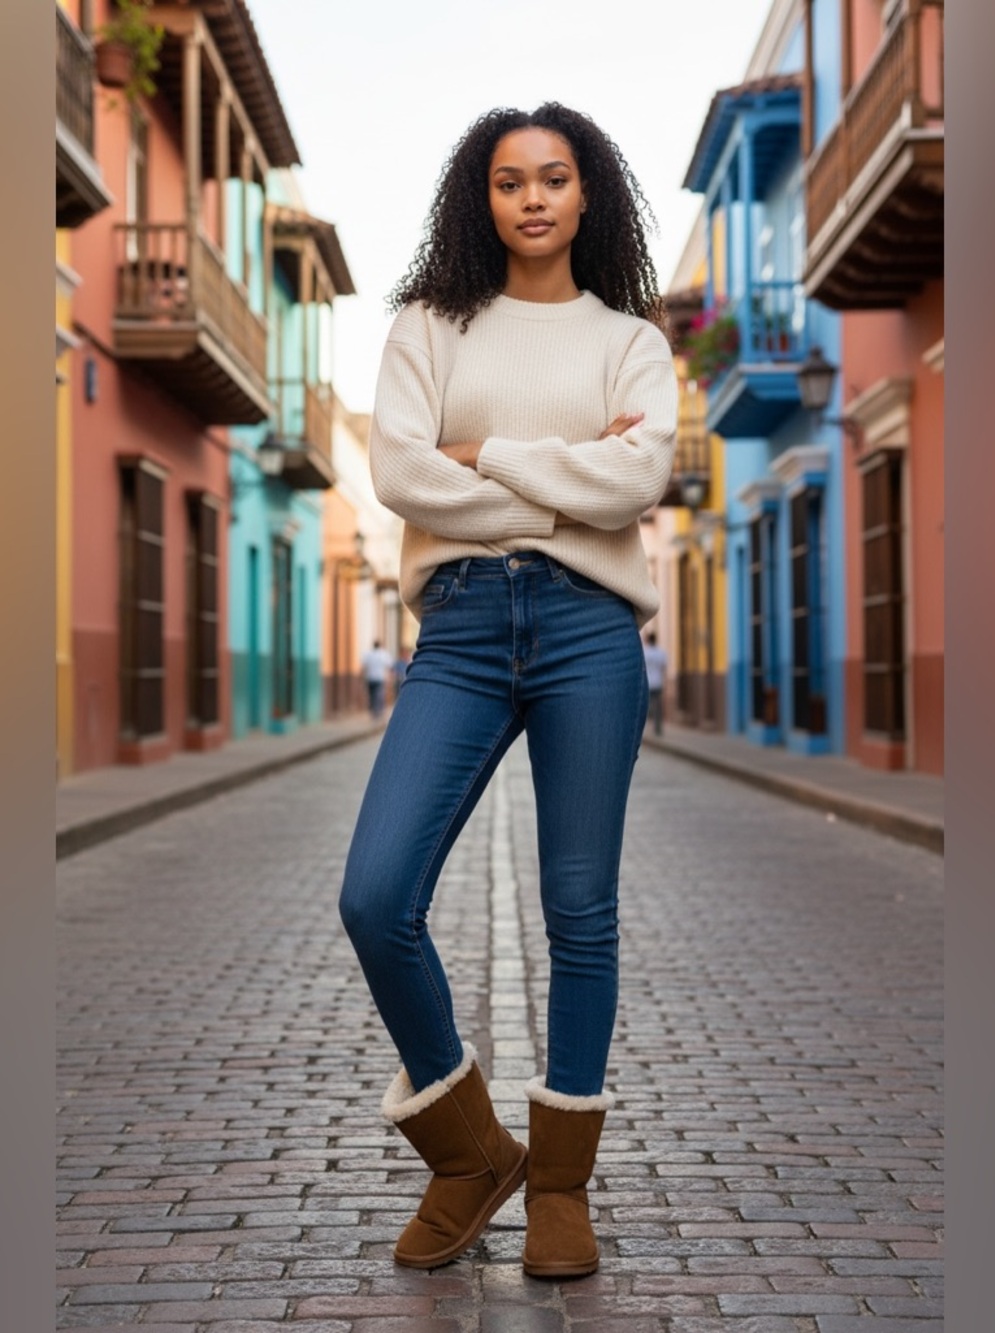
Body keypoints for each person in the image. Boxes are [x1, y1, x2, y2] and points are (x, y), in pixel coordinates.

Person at [338, 103, 677, 1278]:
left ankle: (561, 1187)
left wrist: (482, 459)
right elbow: (400, 475)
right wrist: (570, 489)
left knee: (579, 913)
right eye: (506, 181)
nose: (530, 198)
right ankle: (473, 1150)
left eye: (553, 178)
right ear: (477, 200)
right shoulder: (430, 327)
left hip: (591, 632)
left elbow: (645, 473)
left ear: (589, 196)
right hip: (466, 628)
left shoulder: (628, 340)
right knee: (376, 893)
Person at [643, 632, 668, 735]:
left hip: (648, 682)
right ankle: (658, 728)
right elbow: (664, 668)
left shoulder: (645, 652)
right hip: (658, 682)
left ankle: (646, 726)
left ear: (648, 640)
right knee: (658, 706)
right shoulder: (661, 653)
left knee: (647, 706)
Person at [360, 640, 393, 718]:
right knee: (378, 695)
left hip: (370, 678)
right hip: (379, 678)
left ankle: (374, 711)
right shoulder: (383, 654)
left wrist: (361, 677)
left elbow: (364, 666)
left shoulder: (368, 654)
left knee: (372, 695)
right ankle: (378, 710)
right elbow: (389, 665)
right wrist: (390, 677)